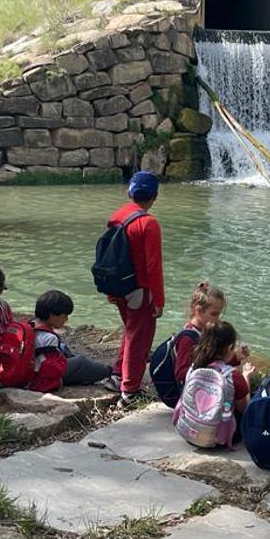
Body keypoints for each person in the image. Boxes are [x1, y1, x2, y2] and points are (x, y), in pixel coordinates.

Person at [104, 170, 165, 408]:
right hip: (139, 290)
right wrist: (158, 300)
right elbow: (153, 267)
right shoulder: (149, 224)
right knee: (139, 339)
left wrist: (110, 290)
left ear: (129, 192)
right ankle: (129, 392)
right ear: (155, 197)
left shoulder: (118, 216)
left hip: (119, 286)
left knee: (130, 332)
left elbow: (110, 256)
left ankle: (118, 375)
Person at [175, 320, 251, 446]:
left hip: (188, 431)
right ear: (230, 348)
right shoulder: (233, 375)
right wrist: (246, 377)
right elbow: (243, 408)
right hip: (218, 439)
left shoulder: (194, 367)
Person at [31, 290, 113, 392]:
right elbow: (53, 369)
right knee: (81, 362)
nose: (66, 319)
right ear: (52, 316)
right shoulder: (49, 338)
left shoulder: (31, 325)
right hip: (40, 377)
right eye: (64, 316)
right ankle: (111, 372)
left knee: (64, 348)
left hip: (31, 369)